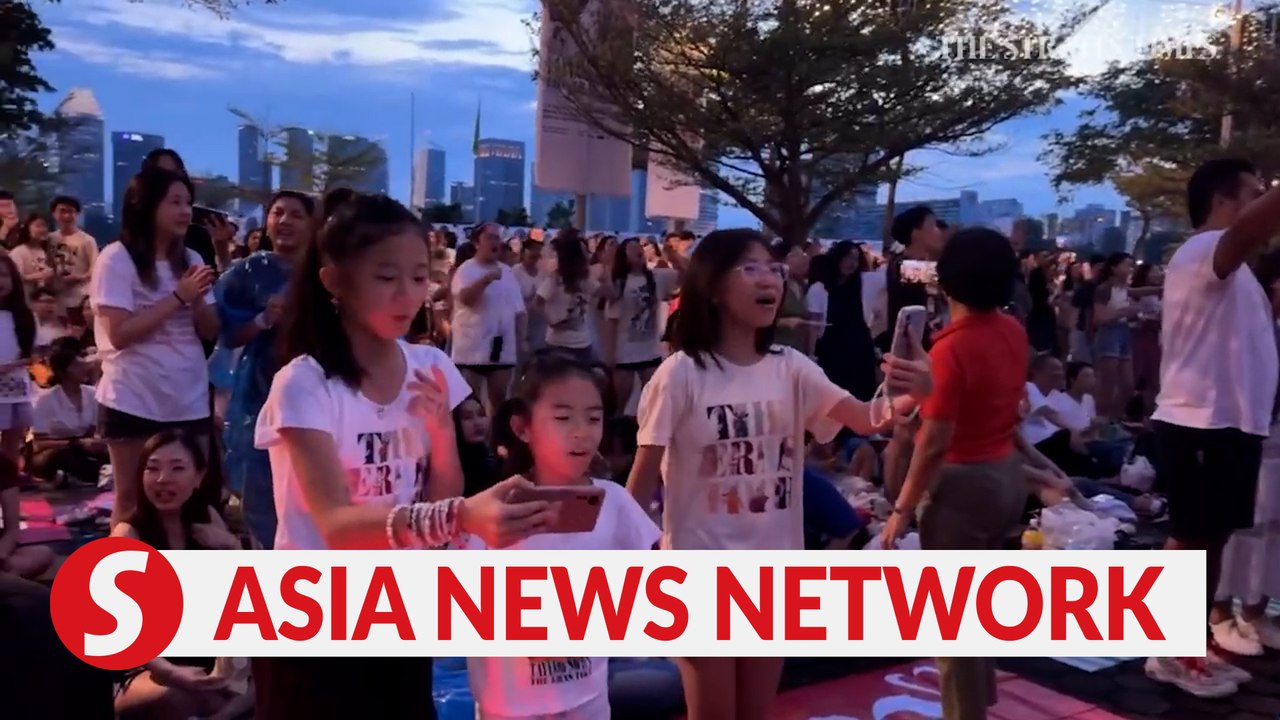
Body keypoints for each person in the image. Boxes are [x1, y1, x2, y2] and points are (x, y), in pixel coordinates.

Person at [250, 193, 558, 719]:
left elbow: (442, 491)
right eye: (386, 276)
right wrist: (463, 515)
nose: (407, 294)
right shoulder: (305, 383)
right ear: (334, 282)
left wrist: (440, 429)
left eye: (418, 277)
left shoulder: (430, 366)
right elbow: (337, 525)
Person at [627, 229, 931, 720]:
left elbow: (864, 416)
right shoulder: (681, 373)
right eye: (750, 268)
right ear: (711, 286)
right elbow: (641, 483)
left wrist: (921, 387)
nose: (769, 278)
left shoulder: (790, 366)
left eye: (774, 268)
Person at [463, 351, 661, 720]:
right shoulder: (492, 509)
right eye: (563, 417)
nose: (581, 432)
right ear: (523, 427)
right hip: (511, 704)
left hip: (587, 694)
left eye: (593, 418)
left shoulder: (613, 502)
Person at [881, 227, 1029, 720]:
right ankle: (980, 696)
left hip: (962, 487)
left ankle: (965, 711)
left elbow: (935, 442)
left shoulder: (950, 350)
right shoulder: (1011, 330)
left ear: (946, 283)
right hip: (1005, 475)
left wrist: (901, 508)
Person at [1145, 159, 1280, 697]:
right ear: (1226, 199)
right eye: (1254, 191)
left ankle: (1190, 646)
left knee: (1213, 537)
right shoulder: (1203, 251)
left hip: (1232, 424)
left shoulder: (1238, 270)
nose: (1263, 197)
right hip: (1199, 420)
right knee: (1190, 539)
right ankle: (1168, 652)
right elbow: (1251, 228)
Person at [90, 168, 219, 527]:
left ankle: (182, 579)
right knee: (131, 499)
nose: (185, 211)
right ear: (146, 206)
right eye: (174, 202)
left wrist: (197, 301)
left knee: (190, 499)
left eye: (188, 203)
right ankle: (121, 578)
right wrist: (179, 296)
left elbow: (210, 329)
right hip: (133, 396)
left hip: (188, 397)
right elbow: (120, 334)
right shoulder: (116, 258)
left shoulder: (191, 259)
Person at [111, 431, 246, 719]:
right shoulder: (128, 535)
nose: (163, 479)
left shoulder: (207, 519)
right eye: (153, 468)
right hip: (149, 665)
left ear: (198, 478)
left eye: (177, 468)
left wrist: (231, 546)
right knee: (180, 697)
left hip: (208, 656)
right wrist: (170, 672)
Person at [215, 190, 316, 548]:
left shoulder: (326, 273)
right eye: (278, 213)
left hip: (317, 396)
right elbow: (224, 334)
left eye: (296, 214)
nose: (285, 221)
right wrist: (263, 319)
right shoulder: (247, 272)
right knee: (262, 490)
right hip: (259, 394)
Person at [450, 222, 527, 411]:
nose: (496, 242)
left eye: (498, 238)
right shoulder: (466, 269)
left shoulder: (507, 272)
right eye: (490, 237)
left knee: (500, 404)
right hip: (471, 350)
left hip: (502, 350)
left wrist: (523, 340)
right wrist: (486, 280)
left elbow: (520, 310)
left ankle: (496, 439)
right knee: (470, 404)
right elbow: (465, 299)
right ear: (477, 242)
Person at [604, 237, 679, 406]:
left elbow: (684, 274)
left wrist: (671, 253)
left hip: (650, 350)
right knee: (620, 402)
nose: (638, 250)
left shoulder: (656, 277)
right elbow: (612, 321)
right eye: (631, 248)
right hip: (625, 352)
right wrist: (610, 355)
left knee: (652, 400)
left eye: (639, 247)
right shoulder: (620, 283)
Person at [29, 345, 107, 484]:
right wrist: (75, 443)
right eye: (77, 366)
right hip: (56, 449)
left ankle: (81, 477)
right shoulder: (46, 399)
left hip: (83, 446)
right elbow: (39, 444)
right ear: (62, 372)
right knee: (62, 457)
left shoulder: (91, 394)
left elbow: (94, 430)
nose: (84, 369)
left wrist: (95, 442)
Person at [534, 231, 601, 362]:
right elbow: (537, 302)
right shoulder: (556, 279)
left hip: (582, 342)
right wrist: (552, 321)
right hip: (558, 343)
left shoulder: (585, 279)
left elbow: (604, 293)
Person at [0, 254, 35, 477]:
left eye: (3, 275)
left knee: (11, 448)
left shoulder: (23, 316)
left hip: (17, 390)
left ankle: (10, 502)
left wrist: (11, 366)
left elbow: (32, 355)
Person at [48, 195, 99, 324]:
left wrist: (79, 277)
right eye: (62, 211)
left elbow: (96, 268)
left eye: (71, 211)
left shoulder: (87, 240)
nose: (66, 216)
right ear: (54, 214)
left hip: (79, 298)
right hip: (54, 299)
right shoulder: (49, 239)